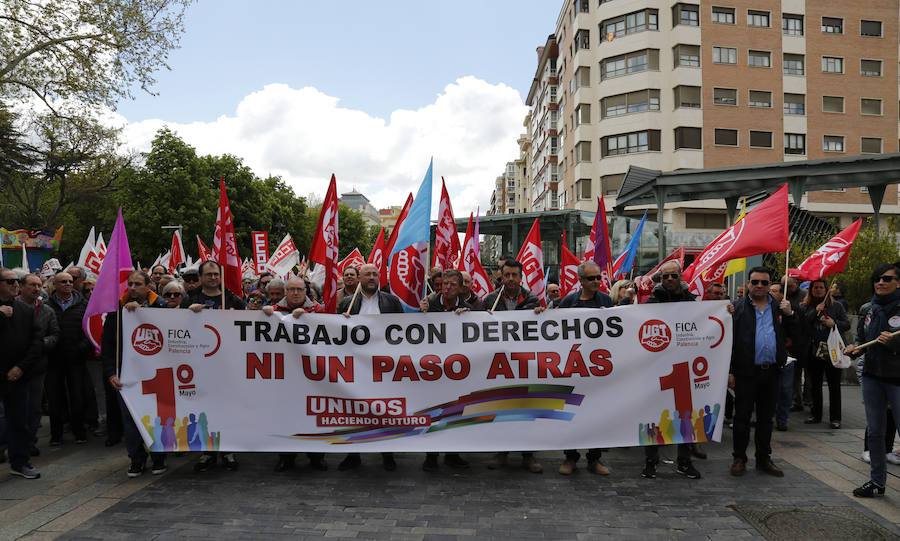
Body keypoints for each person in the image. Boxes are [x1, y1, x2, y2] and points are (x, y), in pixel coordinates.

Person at [729, 266, 795, 478]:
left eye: (764, 282)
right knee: (742, 418)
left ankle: (764, 458)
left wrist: (790, 314)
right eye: (755, 282)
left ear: (769, 285)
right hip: (746, 373)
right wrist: (730, 371)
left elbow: (798, 335)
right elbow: (727, 342)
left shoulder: (779, 307)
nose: (759, 286)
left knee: (766, 419)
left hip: (772, 372)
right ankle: (739, 457)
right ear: (748, 284)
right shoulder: (736, 308)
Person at [102, 270, 169, 477]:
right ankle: (136, 459)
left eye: (137, 284)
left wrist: (142, 313)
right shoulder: (116, 311)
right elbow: (108, 346)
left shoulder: (162, 307)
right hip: (127, 376)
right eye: (130, 284)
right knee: (131, 420)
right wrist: (111, 373)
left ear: (148, 286)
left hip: (156, 374)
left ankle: (158, 458)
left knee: (156, 418)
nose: (132, 288)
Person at [640, 261, 703, 480]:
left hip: (684, 368)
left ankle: (684, 462)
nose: (669, 280)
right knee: (653, 416)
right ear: (660, 279)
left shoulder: (694, 302)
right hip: (656, 368)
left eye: (673, 276)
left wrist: (726, 310)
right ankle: (651, 461)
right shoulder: (651, 303)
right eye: (665, 276)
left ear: (680, 277)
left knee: (686, 415)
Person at [337, 263, 402, 471]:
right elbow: (337, 334)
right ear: (359, 279)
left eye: (375, 274)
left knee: (385, 409)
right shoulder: (348, 303)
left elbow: (405, 329)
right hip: (357, 365)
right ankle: (353, 454)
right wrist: (342, 321)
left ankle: (387, 453)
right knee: (356, 410)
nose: (372, 277)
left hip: (385, 365)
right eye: (367, 274)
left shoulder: (391, 301)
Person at [482, 259, 544, 473]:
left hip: (524, 363)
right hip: (499, 365)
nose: (510, 279)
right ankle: (502, 452)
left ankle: (528, 455)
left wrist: (539, 315)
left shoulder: (531, 298)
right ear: (501, 276)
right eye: (506, 275)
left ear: (520, 276)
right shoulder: (490, 300)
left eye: (514, 275)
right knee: (502, 409)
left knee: (526, 409)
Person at [261, 277, 329, 472]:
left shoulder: (318, 310)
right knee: (285, 417)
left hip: (311, 376)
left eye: (300, 289)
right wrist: (263, 315)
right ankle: (286, 456)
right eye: (291, 289)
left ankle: (316, 457)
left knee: (313, 417)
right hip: (284, 376)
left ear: (306, 291)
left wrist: (310, 317)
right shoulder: (273, 312)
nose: (296, 293)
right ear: (285, 292)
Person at [844, 263, 900, 497]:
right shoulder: (868, 309)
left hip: (898, 380)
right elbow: (860, 339)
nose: (881, 282)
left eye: (887, 278)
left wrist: (895, 344)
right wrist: (854, 349)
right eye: (877, 279)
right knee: (875, 433)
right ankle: (877, 482)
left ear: (898, 282)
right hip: (871, 378)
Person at [188, 261, 244, 472]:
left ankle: (228, 450)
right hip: (200, 366)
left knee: (227, 408)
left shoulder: (233, 300)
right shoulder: (190, 299)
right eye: (208, 275)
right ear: (200, 277)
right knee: (204, 409)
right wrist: (187, 313)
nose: (212, 278)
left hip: (227, 365)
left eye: (215, 274)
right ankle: (207, 452)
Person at [557, 261, 613, 476]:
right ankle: (570, 457)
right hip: (574, 368)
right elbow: (554, 330)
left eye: (598, 277)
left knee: (596, 414)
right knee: (571, 413)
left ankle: (594, 458)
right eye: (592, 278)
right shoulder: (569, 302)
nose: (597, 281)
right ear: (581, 281)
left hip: (598, 369)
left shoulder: (606, 300)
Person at [418, 269, 471, 472]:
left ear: (460, 288)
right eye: (444, 284)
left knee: (455, 412)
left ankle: (452, 454)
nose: (446, 288)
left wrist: (467, 319)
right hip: (432, 372)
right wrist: (420, 314)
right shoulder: (428, 305)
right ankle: (431, 455)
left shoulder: (467, 309)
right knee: (433, 412)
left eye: (451, 285)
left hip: (457, 373)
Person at [1, 268, 42, 479]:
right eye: (10, 281)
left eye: (17, 281)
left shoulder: (25, 311)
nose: (16, 284)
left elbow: (36, 343)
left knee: (19, 421)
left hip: (17, 376)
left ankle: (20, 462)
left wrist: (21, 367)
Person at [45, 272, 91, 446]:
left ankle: (79, 431)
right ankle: (56, 434)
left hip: (76, 359)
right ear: (55, 285)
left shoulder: (84, 305)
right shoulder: (46, 306)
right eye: (63, 281)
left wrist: (82, 347)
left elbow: (90, 331)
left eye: (70, 282)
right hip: (53, 360)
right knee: (54, 398)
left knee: (77, 396)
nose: (67, 284)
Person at [16, 274, 60, 457]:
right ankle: (4, 444)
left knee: (34, 408)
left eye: (39, 285)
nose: (36, 289)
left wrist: (41, 344)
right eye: (32, 285)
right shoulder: (10, 308)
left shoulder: (47, 311)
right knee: (12, 408)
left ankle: (29, 442)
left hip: (37, 367)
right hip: (13, 368)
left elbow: (55, 335)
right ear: (21, 287)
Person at [801, 279, 850, 428]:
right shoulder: (805, 305)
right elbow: (802, 324)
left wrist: (834, 323)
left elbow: (846, 324)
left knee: (834, 385)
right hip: (813, 350)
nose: (818, 290)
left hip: (832, 350)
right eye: (815, 287)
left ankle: (835, 418)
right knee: (814, 385)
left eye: (821, 287)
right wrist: (815, 311)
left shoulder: (837, 306)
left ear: (826, 289)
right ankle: (816, 414)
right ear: (810, 290)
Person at [769, 282, 794, 432]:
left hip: (787, 356)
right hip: (769, 356)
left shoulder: (788, 310)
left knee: (785, 390)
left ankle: (782, 420)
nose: (771, 293)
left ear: (782, 294)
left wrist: (789, 314)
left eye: (775, 291)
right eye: (770, 290)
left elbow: (797, 330)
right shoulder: (764, 309)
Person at [783, 276, 809, 413]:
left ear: (797, 284)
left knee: (808, 374)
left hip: (804, 340)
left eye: (790, 285)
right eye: (785, 285)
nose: (788, 288)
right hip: (790, 341)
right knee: (795, 374)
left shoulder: (805, 296)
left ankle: (808, 399)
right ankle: (796, 400)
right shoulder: (784, 297)